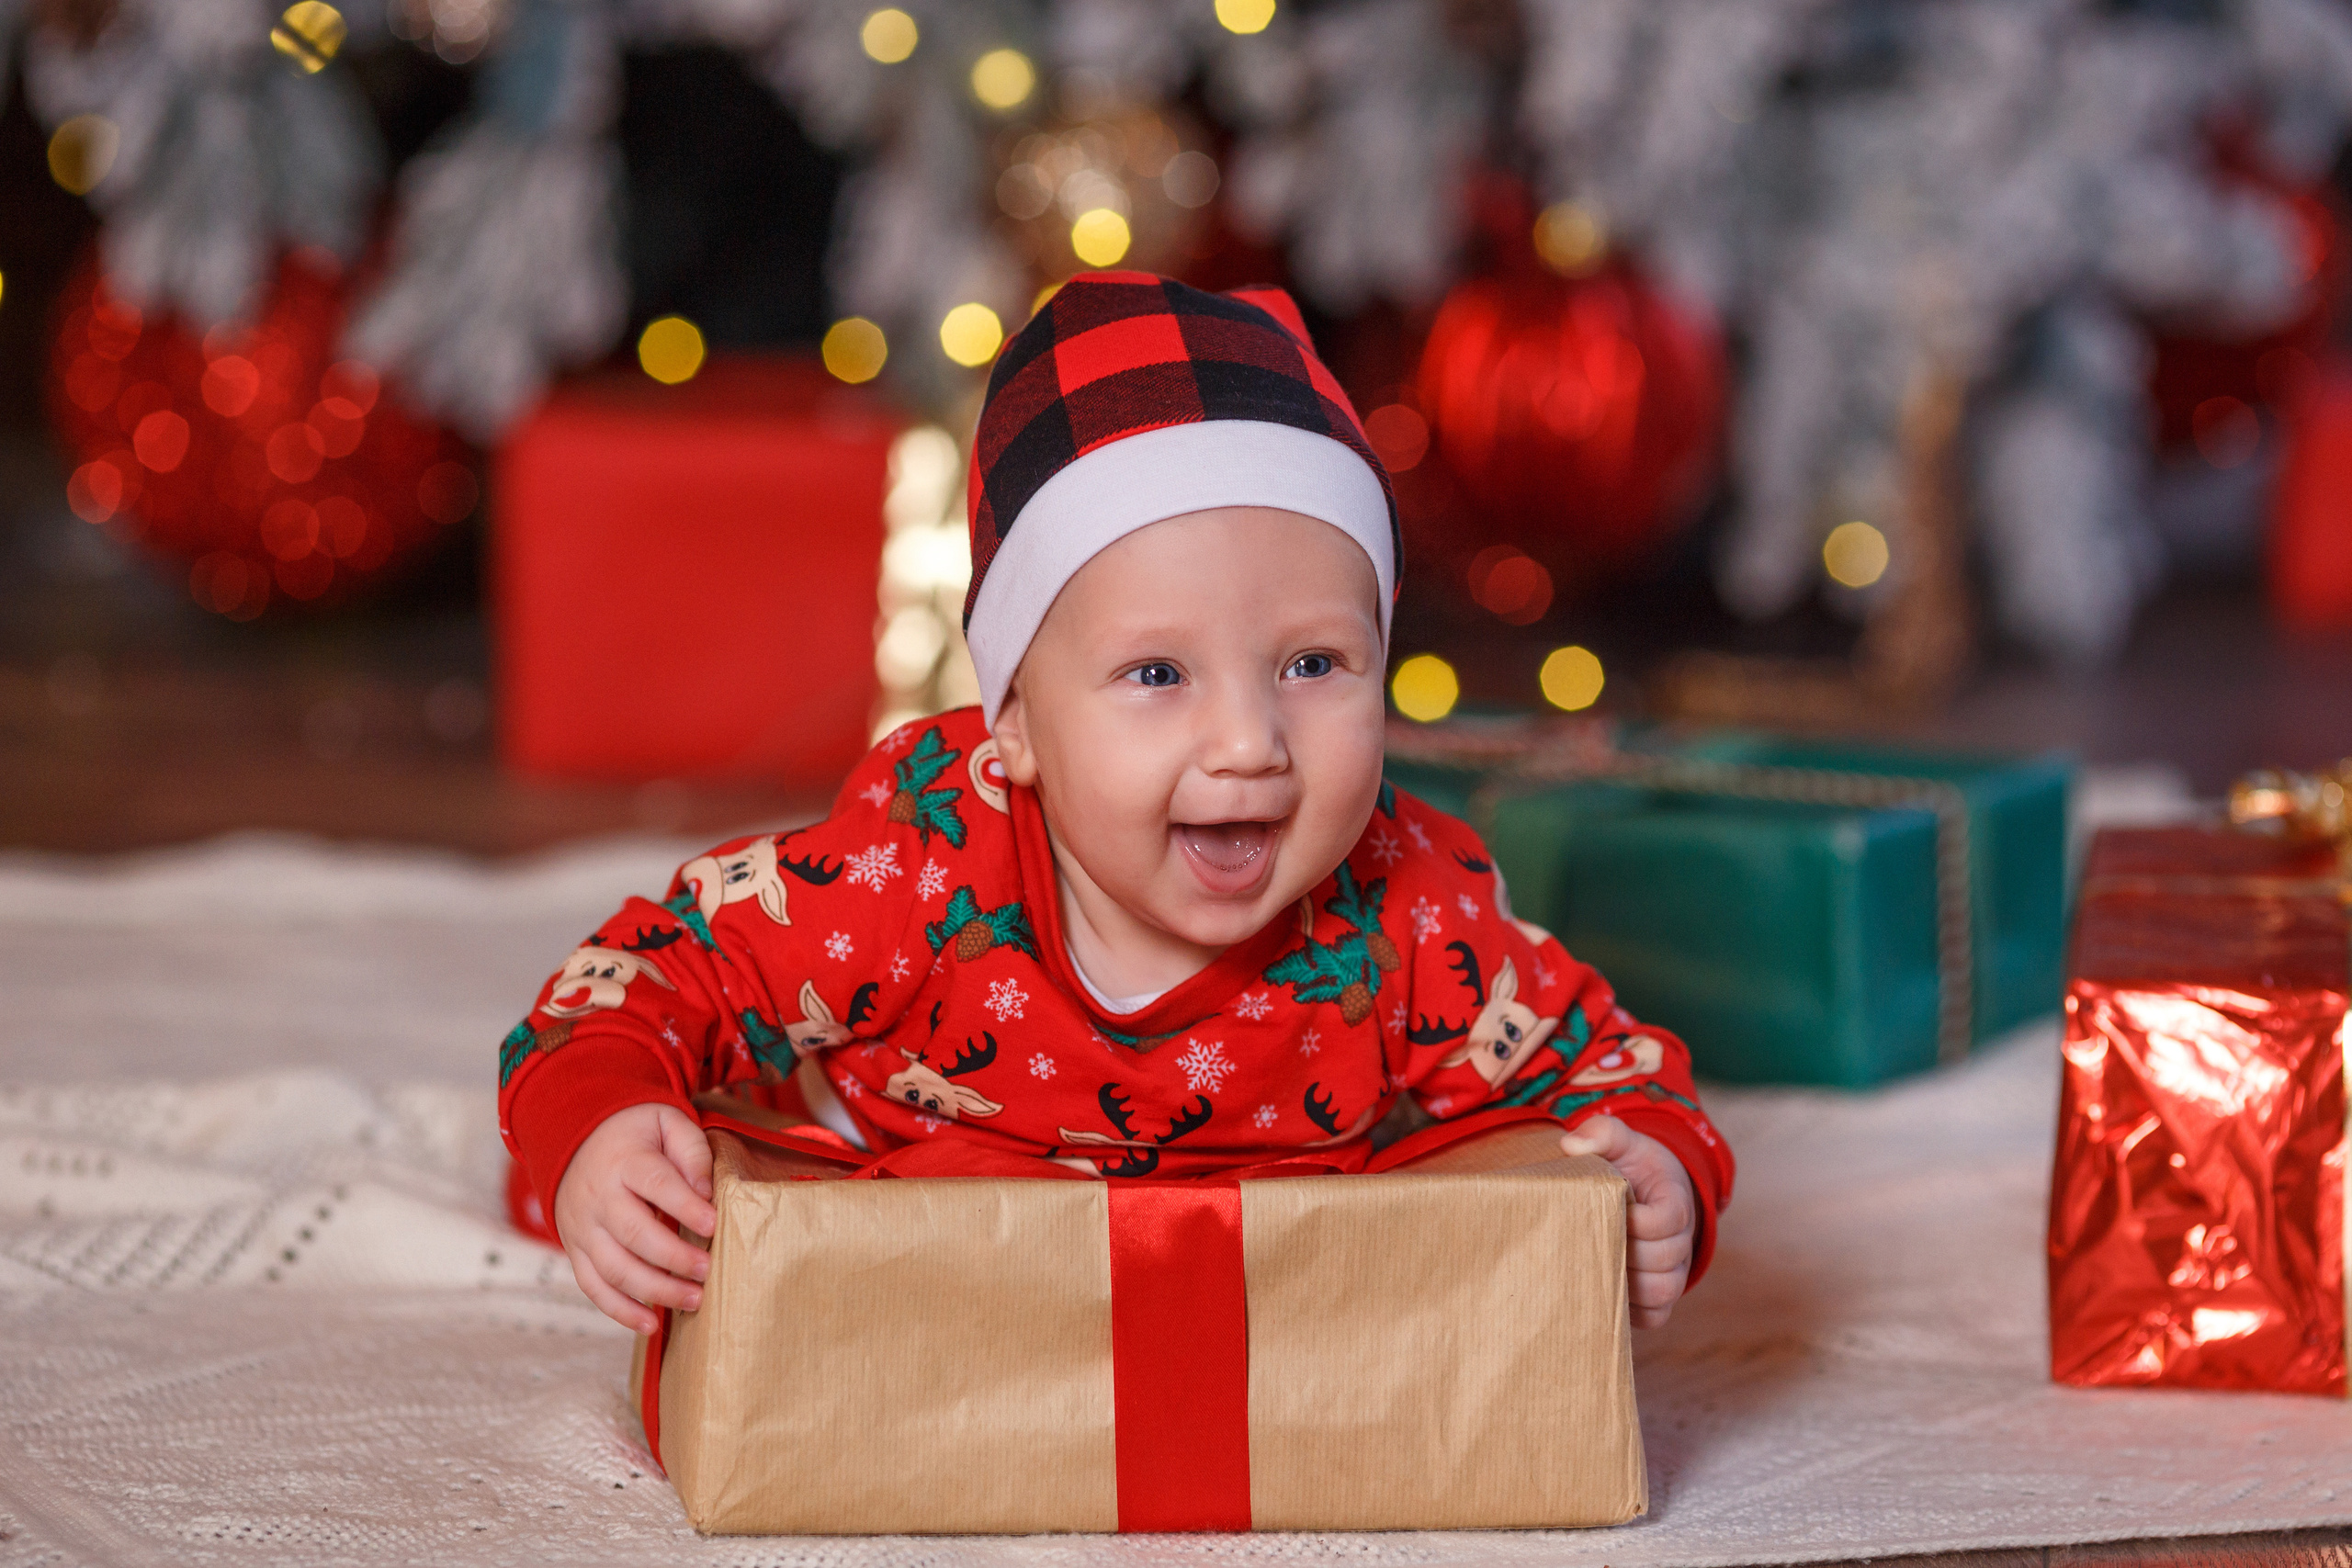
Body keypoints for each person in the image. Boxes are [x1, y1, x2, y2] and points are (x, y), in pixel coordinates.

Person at [497, 271, 1735, 1338]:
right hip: (921, 1259)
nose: (1249, 745)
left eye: (1314, 663)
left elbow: (1612, 1073)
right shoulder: (917, 868)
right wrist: (600, 1122)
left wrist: (1657, 1178)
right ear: (1017, 726)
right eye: (1157, 675)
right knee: (658, 1168)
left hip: (1232, 1316)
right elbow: (639, 980)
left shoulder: (1406, 905)